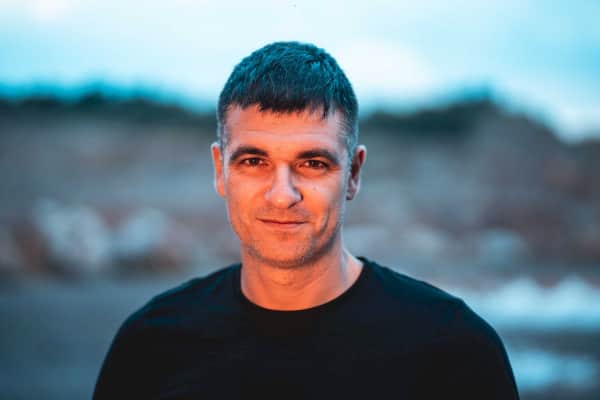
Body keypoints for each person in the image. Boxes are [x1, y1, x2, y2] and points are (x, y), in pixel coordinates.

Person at [93, 41, 520, 399]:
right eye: (254, 161)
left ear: (353, 173)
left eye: (313, 164)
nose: (282, 195)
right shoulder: (150, 345)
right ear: (220, 169)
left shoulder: (455, 352)